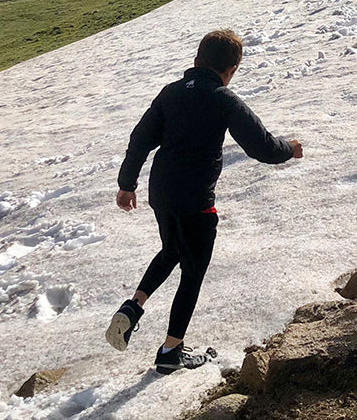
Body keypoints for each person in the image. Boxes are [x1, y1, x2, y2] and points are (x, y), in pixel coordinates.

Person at [106, 29, 303, 375]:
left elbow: (140, 139)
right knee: (192, 272)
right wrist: (290, 148)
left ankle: (134, 306)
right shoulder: (222, 98)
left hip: (161, 193)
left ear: (196, 61)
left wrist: (126, 185)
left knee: (172, 250)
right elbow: (262, 147)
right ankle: (171, 350)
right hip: (196, 200)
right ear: (232, 69)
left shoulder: (170, 93)